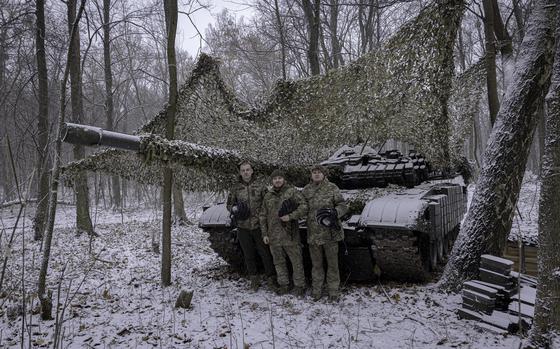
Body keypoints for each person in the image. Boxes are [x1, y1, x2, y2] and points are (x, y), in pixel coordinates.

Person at [226, 161, 276, 290]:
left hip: (259, 225)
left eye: (248, 170)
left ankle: (271, 279)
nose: (246, 172)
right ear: (240, 172)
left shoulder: (260, 186)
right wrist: (235, 209)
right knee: (248, 254)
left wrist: (264, 216)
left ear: (252, 171)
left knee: (265, 253)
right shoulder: (235, 188)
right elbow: (229, 205)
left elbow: (268, 202)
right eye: (243, 170)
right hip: (243, 226)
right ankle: (254, 279)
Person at [302, 165, 348, 302]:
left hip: (330, 234)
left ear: (324, 174)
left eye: (319, 172)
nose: (316, 175)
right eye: (314, 172)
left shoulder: (332, 188)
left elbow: (342, 205)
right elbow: (302, 207)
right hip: (314, 234)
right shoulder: (306, 190)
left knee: (333, 264)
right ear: (311, 175)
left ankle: (333, 291)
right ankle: (317, 290)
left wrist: (336, 212)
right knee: (316, 265)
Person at [259, 169, 308, 296]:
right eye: (275, 178)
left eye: (280, 178)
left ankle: (299, 285)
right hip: (273, 236)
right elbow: (263, 215)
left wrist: (291, 216)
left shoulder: (292, 192)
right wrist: (264, 234)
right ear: (272, 181)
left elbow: (304, 207)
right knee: (278, 262)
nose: (277, 180)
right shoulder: (268, 196)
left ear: (284, 179)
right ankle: (284, 284)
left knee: (296, 261)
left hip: (290, 234)